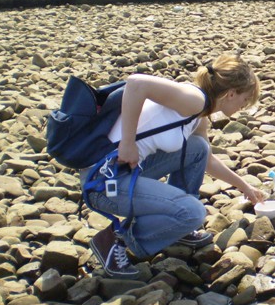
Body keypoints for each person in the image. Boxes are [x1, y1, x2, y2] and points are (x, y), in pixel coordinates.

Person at [83, 55, 265, 279]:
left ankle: (178, 228)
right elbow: (136, 83)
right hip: (103, 182)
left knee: (198, 147)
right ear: (231, 93)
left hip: (125, 170)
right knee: (194, 212)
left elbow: (206, 159)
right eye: (244, 100)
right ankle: (115, 240)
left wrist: (244, 186)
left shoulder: (201, 113)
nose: (243, 107)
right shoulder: (194, 99)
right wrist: (127, 142)